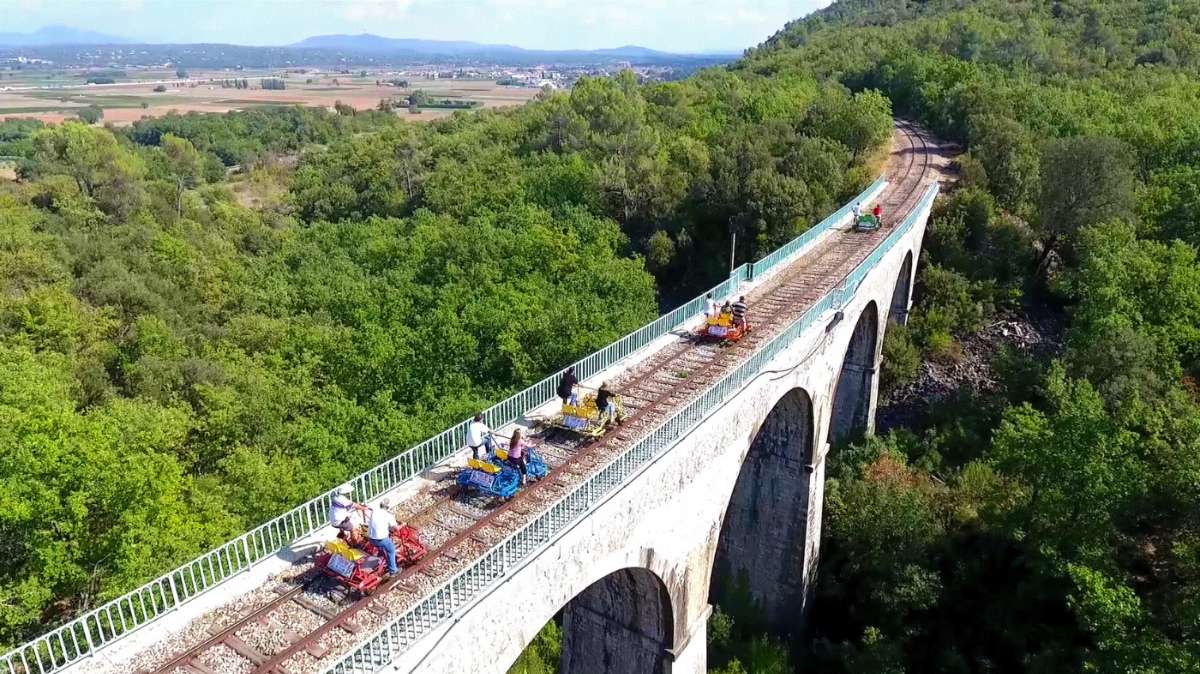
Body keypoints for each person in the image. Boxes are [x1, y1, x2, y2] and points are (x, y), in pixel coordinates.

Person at [368, 499, 400, 575]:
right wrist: (402, 525)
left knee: (382, 546)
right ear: (388, 507)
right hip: (381, 539)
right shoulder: (389, 516)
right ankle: (393, 570)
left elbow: (368, 507)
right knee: (391, 550)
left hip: (371, 539)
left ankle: (382, 555)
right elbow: (396, 528)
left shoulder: (374, 511)